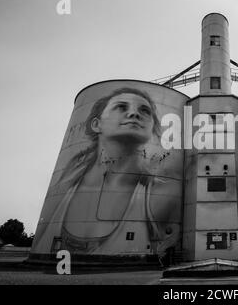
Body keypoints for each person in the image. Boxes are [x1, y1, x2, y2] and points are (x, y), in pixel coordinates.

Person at [31, 87, 180, 259]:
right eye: (122, 107)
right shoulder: (64, 187)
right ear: (96, 124)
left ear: (153, 128)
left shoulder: (163, 193)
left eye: (144, 111)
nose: (134, 114)